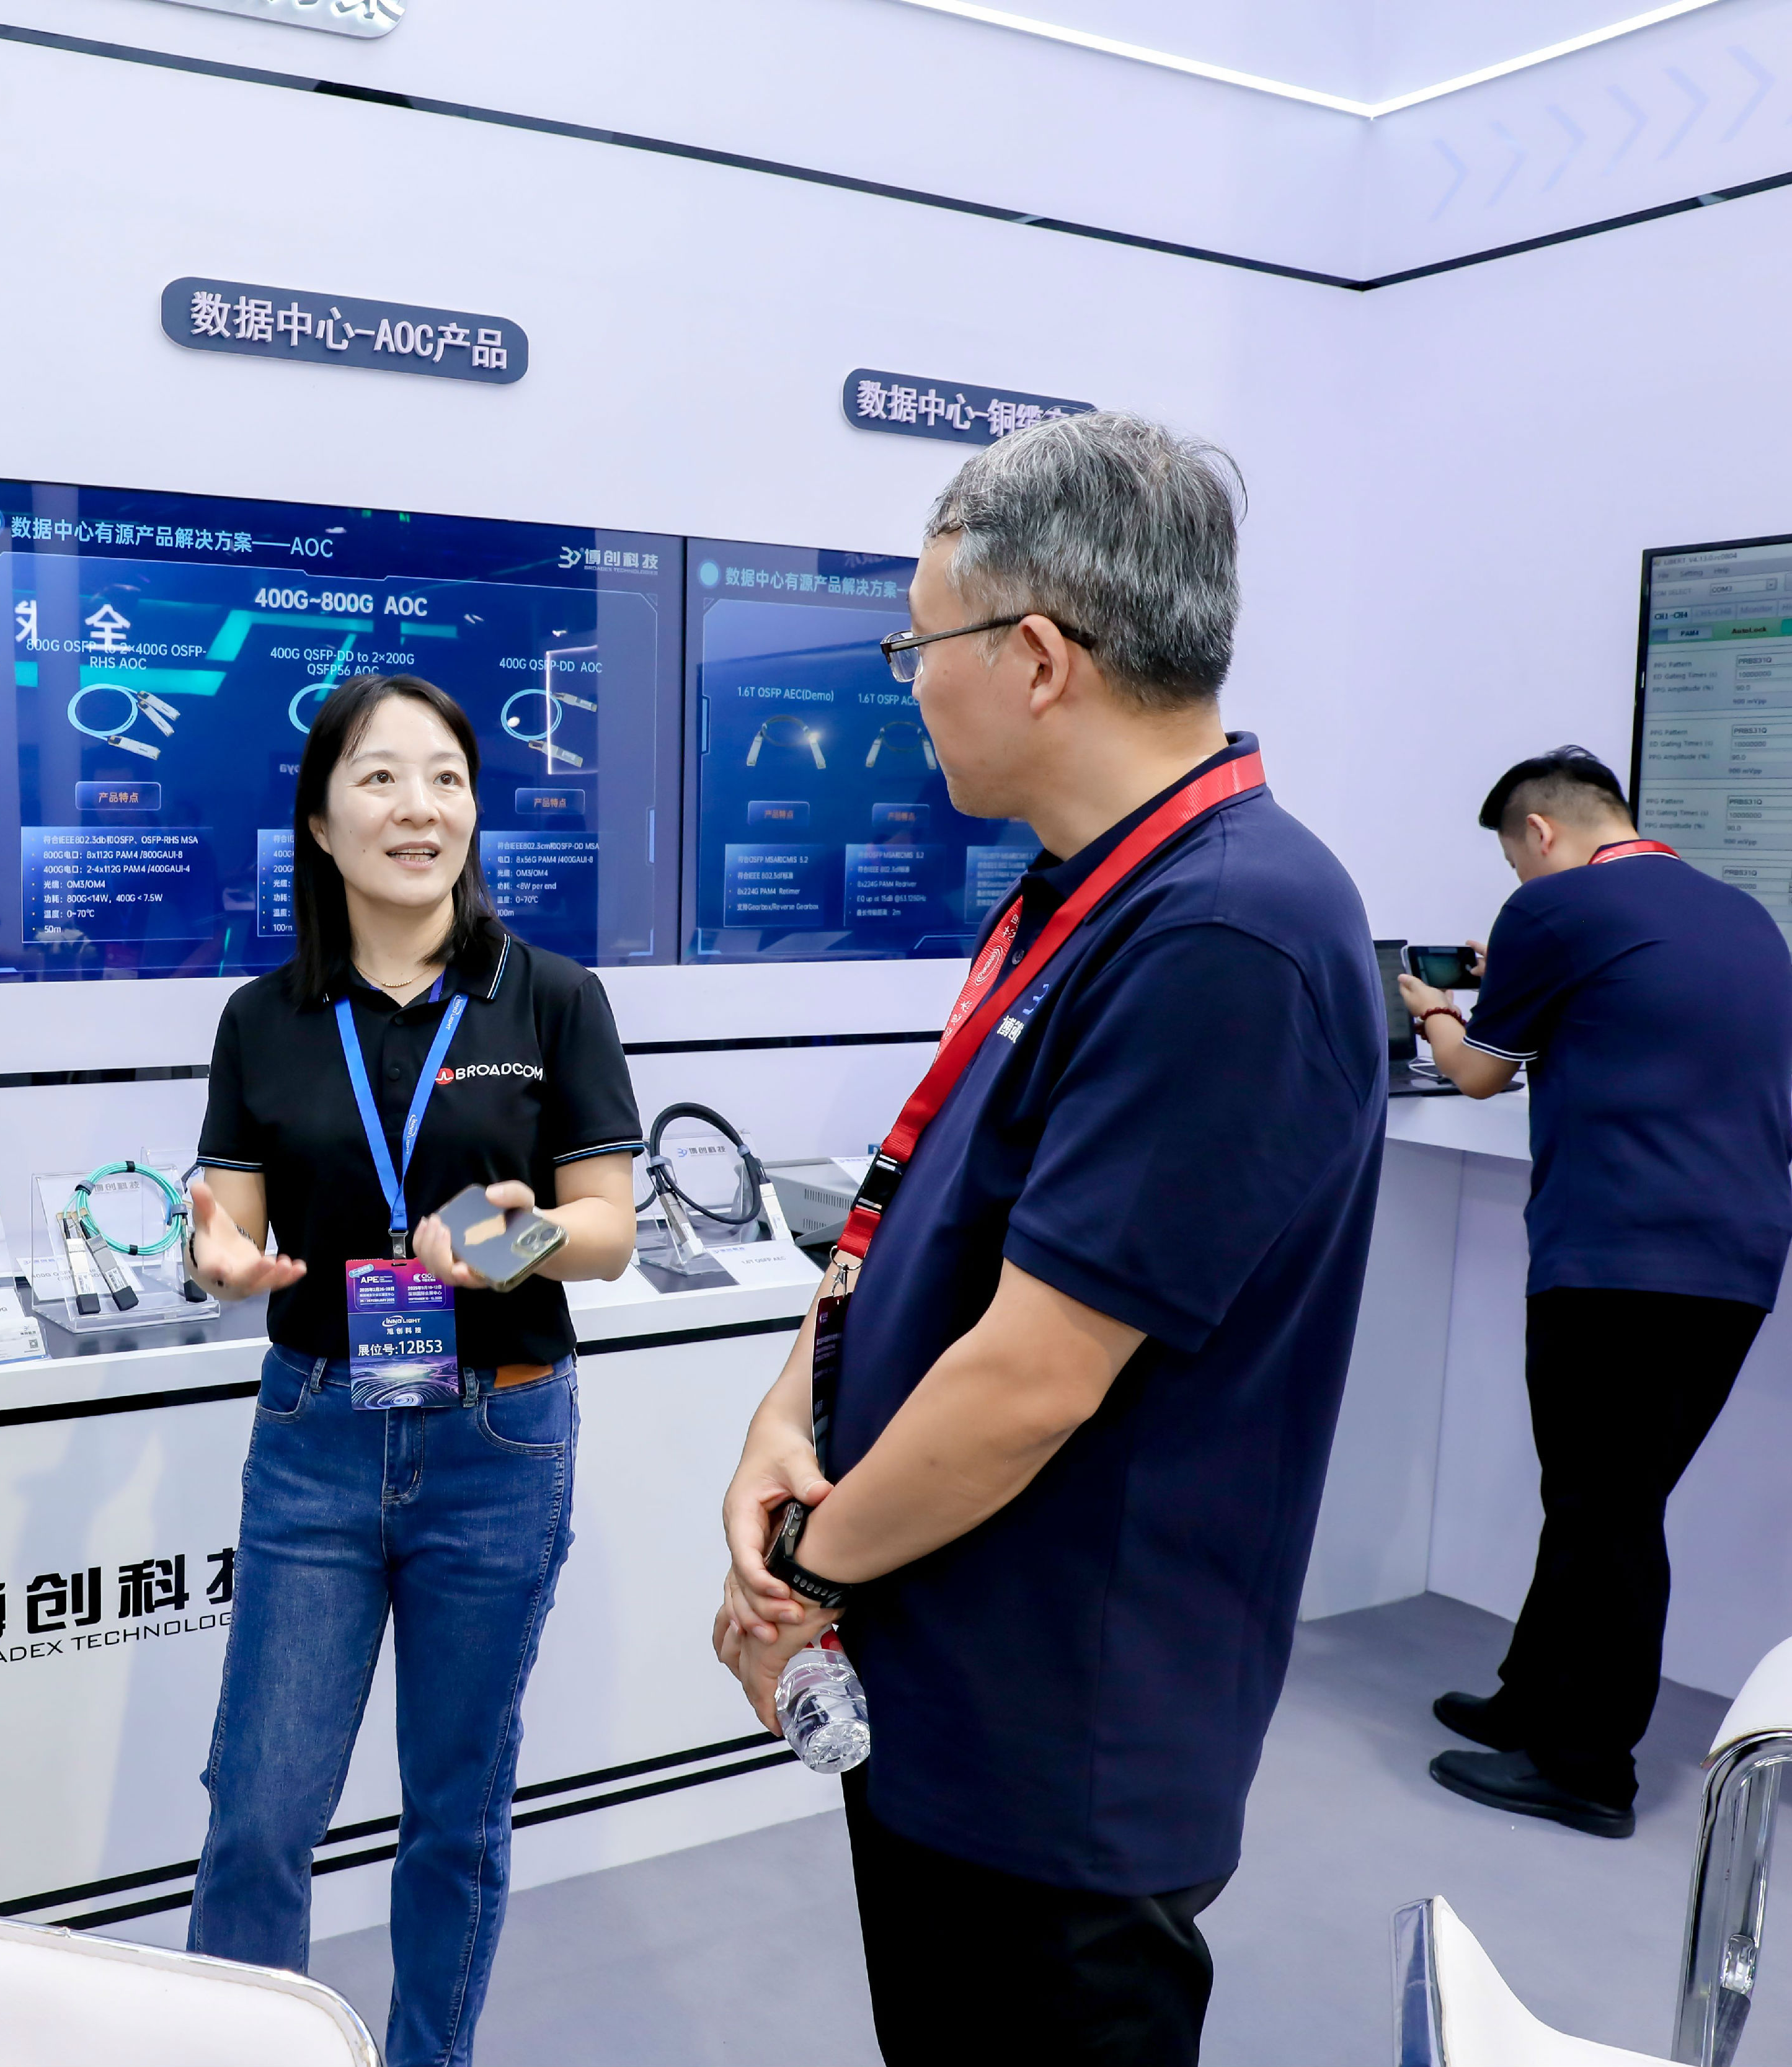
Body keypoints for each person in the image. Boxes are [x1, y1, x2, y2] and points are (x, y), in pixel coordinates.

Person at [713, 414, 1385, 2066]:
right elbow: (923, 1217)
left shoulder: (1226, 931)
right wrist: (789, 1413)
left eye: (917, 645)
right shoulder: (1079, 891)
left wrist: (802, 1577)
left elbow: (1033, 1375)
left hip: (1063, 1738)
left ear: (1031, 658)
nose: (906, 687)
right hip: (951, 1670)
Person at [181, 671, 641, 2067]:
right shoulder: (264, 1016)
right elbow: (227, 1220)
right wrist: (219, 1259)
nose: (418, 807)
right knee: (258, 1813)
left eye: (445, 776)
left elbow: (608, 1230)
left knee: (455, 1813)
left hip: (498, 1440)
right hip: (317, 1433)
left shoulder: (550, 998)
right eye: (379, 777)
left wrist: (517, 1240)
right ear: (321, 822)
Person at [1401, 746, 1792, 1838]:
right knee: (1599, 1492)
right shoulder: (1743, 915)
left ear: (1539, 833)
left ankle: (1586, 1769)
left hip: (1618, 1256)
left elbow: (1479, 1070)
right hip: (1734, 1262)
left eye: (1516, 863)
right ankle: (1532, 1699)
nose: (1523, 884)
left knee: (1606, 1507)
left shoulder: (1557, 908)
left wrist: (1435, 1009)